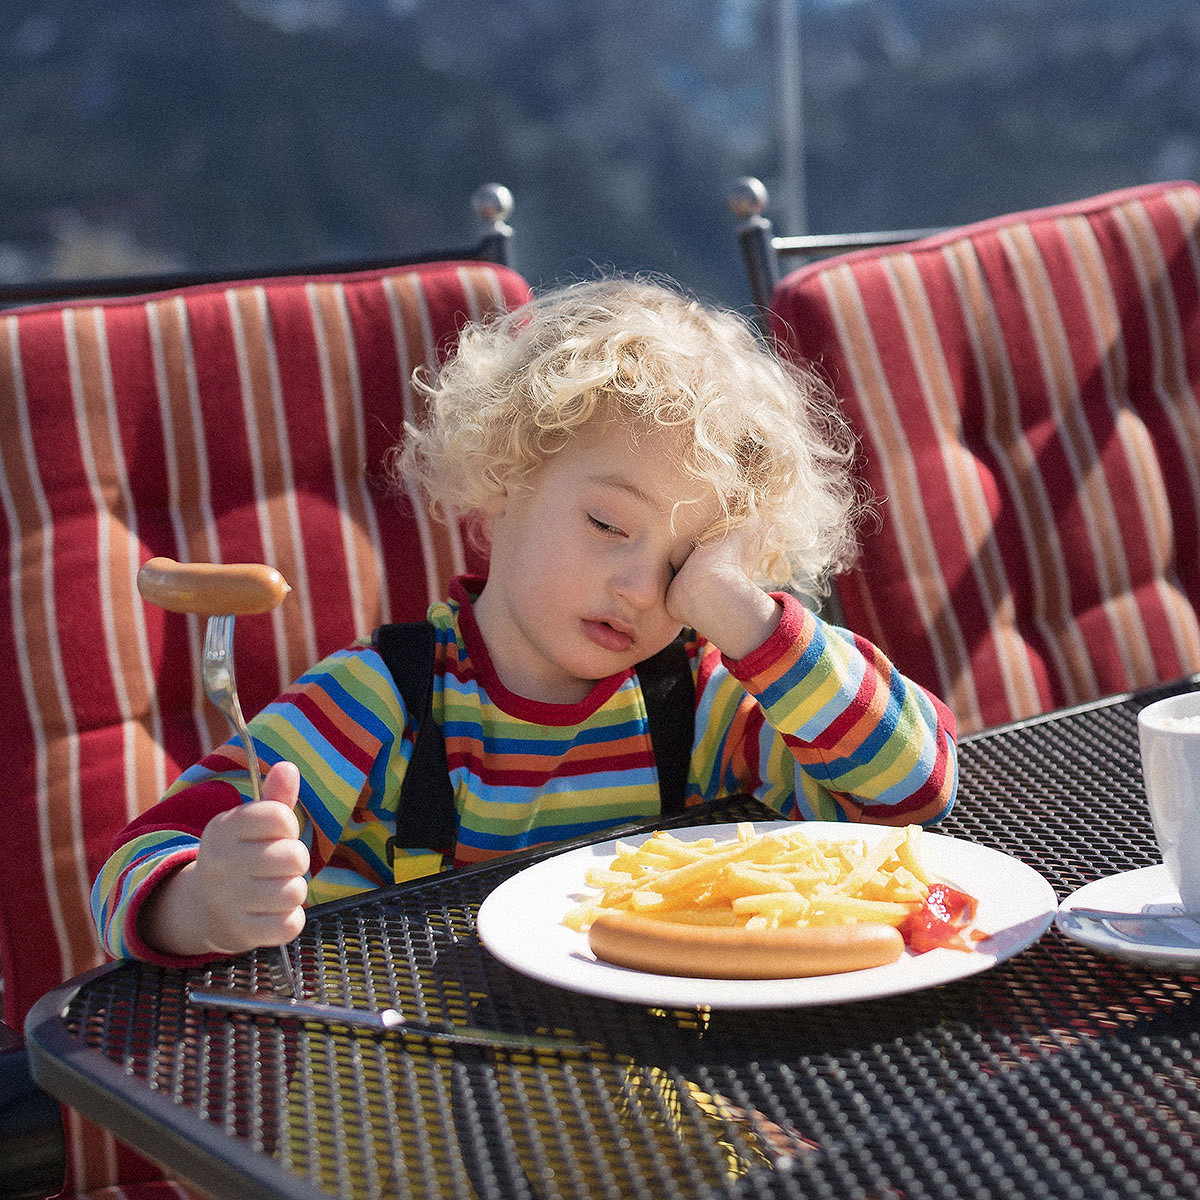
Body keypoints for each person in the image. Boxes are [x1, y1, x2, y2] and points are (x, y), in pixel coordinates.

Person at [92, 276, 958, 966]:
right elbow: (131, 868)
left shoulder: (700, 701)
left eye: (686, 563)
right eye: (610, 526)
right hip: (399, 1097)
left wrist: (742, 612)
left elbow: (909, 790)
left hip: (632, 1082)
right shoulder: (385, 698)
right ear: (505, 480)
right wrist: (204, 901)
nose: (639, 587)